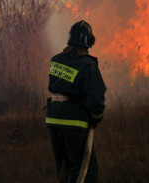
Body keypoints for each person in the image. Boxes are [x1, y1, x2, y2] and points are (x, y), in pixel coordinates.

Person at [45, 20, 106, 183]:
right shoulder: (88, 66)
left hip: (52, 118)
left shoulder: (56, 60)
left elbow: (53, 85)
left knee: (64, 168)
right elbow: (97, 99)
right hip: (74, 121)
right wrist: (96, 117)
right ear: (90, 42)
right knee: (85, 171)